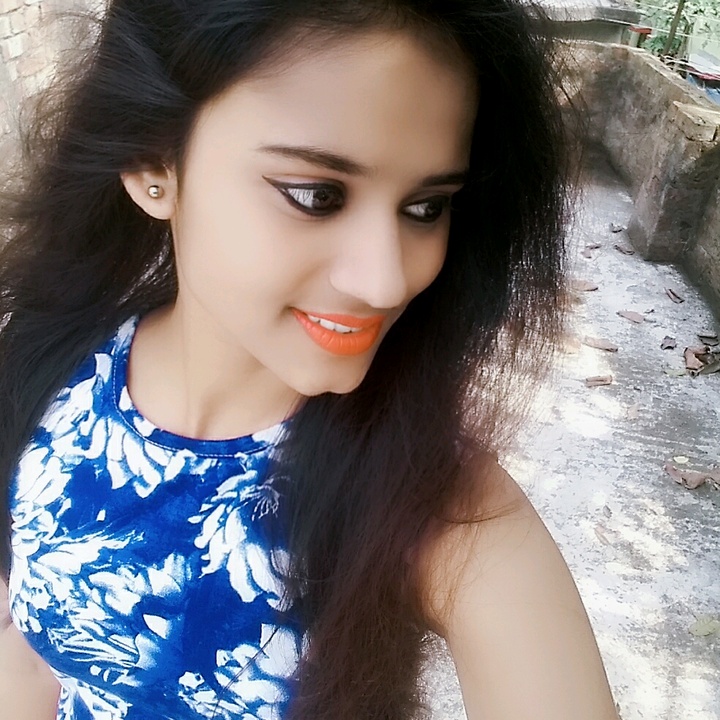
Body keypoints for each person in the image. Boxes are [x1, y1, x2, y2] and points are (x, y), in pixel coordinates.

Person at [0, 1, 620, 718]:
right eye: (317, 195)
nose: (386, 281)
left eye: (426, 207)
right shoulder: (49, 373)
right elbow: (27, 657)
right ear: (153, 163)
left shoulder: (436, 504)